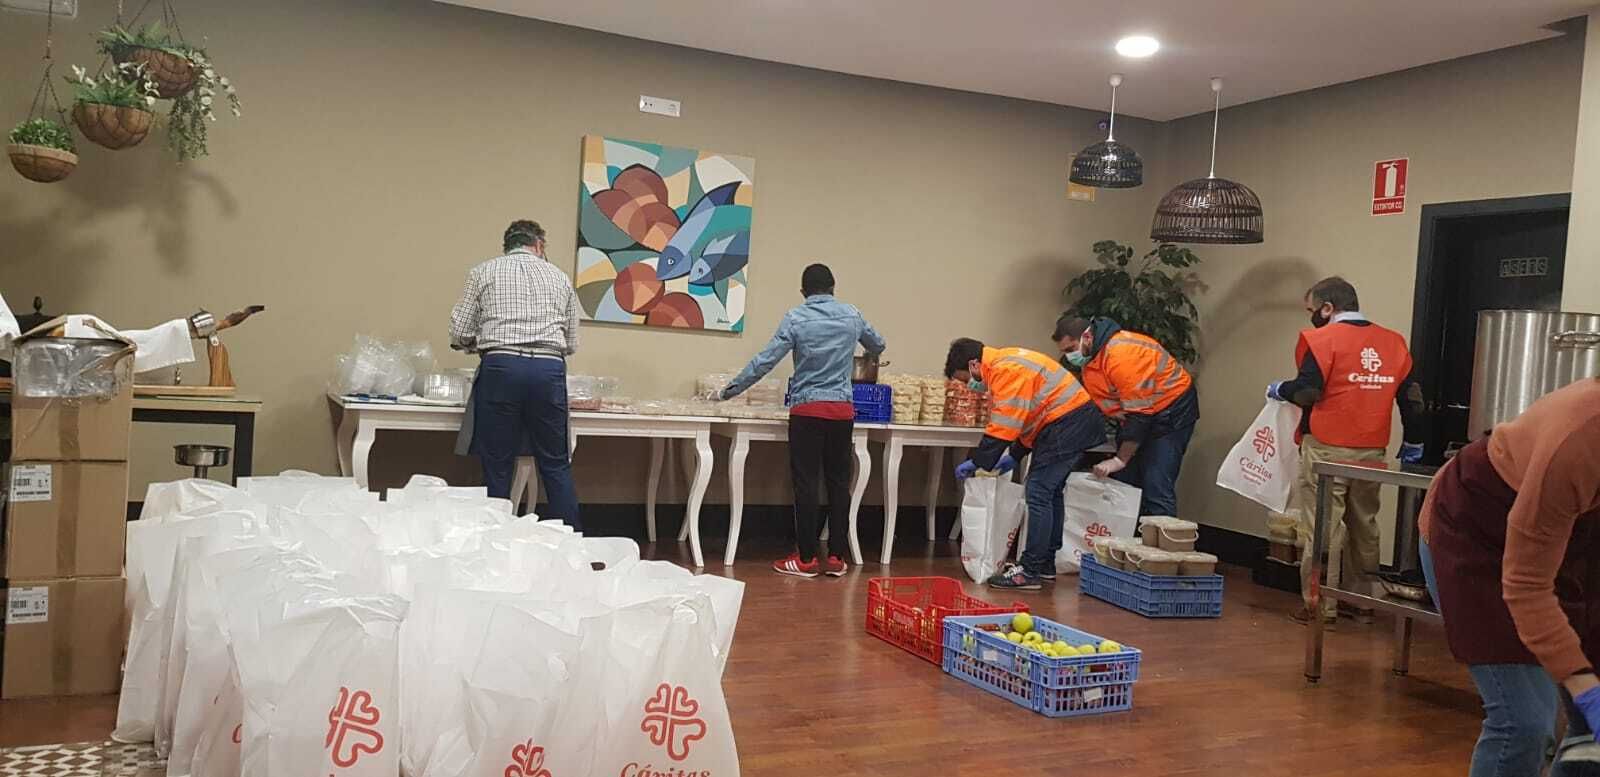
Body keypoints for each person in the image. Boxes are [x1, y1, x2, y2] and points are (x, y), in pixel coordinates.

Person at [1418, 377, 1600, 777]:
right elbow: (1527, 586)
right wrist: (1583, 684)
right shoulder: (1579, 441)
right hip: (1476, 535)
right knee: (1524, 722)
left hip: (1570, 548)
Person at [1267, 276, 1426, 625]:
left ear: (1328, 308)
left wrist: (1282, 389)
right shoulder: (1394, 343)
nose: (1310, 317)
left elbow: (1308, 392)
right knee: (1364, 525)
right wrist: (1414, 441)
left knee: (1323, 527)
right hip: (1372, 449)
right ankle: (1362, 600)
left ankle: (1320, 606)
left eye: (1312, 310)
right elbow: (1412, 401)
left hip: (1326, 448)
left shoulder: (1321, 340)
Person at [720, 263, 885, 578]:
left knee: (806, 484)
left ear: (803, 291)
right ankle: (836, 557)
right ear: (833, 287)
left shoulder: (796, 318)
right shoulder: (852, 315)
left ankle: (806, 559)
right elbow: (878, 344)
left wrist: (729, 391)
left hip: (807, 410)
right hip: (841, 410)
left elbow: (765, 361)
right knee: (839, 484)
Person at [449, 219, 581, 527]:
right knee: (555, 463)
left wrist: (475, 344)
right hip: (548, 368)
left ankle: (497, 541)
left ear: (507, 245)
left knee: (498, 463)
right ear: (539, 245)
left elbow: (459, 331)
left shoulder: (483, 271)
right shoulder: (559, 277)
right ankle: (573, 544)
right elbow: (572, 341)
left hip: (501, 366)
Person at [945, 338, 1106, 590]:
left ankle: (1029, 570)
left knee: (1039, 492)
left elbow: (1004, 425)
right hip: (1072, 422)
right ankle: (1044, 564)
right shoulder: (1007, 359)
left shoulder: (1004, 371)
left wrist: (976, 461)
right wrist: (1017, 454)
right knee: (1050, 494)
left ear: (974, 364)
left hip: (1067, 425)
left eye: (967, 379)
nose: (971, 386)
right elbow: (1030, 415)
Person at [1054, 315, 1199, 518]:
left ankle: (1162, 546)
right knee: (1124, 485)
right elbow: (1103, 404)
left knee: (1156, 483)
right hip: (1138, 415)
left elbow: (1141, 415)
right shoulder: (1093, 359)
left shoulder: (1120, 355)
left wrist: (1120, 459)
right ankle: (1127, 544)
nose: (1069, 356)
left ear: (1087, 338)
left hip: (1172, 412)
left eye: (1070, 349)